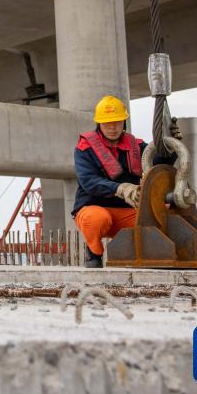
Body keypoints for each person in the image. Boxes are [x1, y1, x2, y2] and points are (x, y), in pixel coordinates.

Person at [73, 95, 177, 268]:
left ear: (124, 122)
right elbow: (89, 182)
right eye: (107, 123)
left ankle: (146, 258)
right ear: (99, 124)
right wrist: (121, 188)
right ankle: (94, 256)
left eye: (117, 122)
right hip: (93, 208)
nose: (112, 128)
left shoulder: (136, 146)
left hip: (127, 212)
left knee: (160, 218)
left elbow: (157, 165)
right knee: (97, 219)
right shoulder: (85, 149)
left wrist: (170, 145)